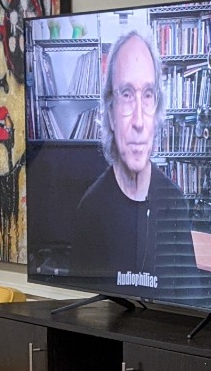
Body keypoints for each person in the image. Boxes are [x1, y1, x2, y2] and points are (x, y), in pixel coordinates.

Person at [71, 29, 201, 303]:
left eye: (149, 95)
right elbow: (83, 313)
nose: (139, 120)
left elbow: (191, 305)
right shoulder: (90, 209)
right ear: (110, 113)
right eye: (127, 94)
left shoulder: (175, 204)